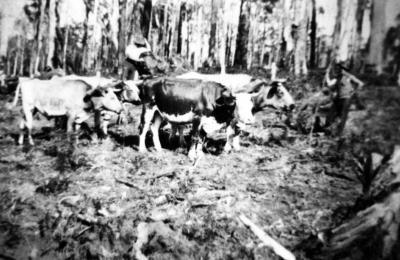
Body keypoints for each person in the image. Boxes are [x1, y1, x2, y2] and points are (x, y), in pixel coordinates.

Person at [325, 62, 365, 135]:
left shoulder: (349, 76)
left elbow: (361, 83)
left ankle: (339, 134)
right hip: (338, 98)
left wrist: (353, 91)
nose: (339, 70)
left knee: (342, 116)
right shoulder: (338, 77)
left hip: (346, 99)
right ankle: (328, 131)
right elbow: (329, 84)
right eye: (338, 68)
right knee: (330, 115)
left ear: (344, 69)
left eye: (340, 68)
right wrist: (327, 75)